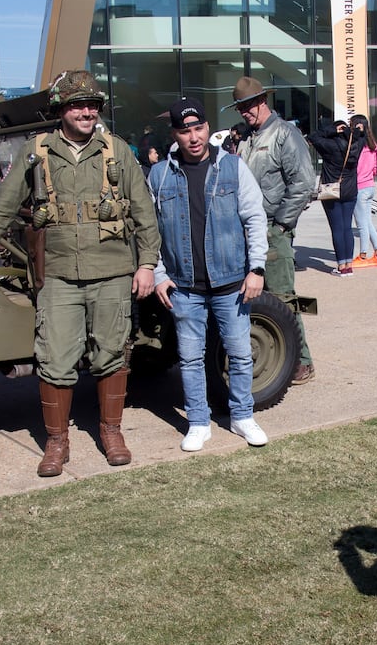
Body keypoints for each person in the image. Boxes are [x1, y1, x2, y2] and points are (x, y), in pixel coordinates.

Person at [0, 70, 159, 475]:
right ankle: (57, 442)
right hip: (59, 275)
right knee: (54, 359)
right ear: (62, 109)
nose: (86, 111)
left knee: (111, 354)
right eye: (78, 104)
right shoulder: (36, 152)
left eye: (92, 105)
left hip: (112, 272)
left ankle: (111, 431)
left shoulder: (116, 150)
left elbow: (144, 211)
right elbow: (4, 205)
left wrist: (147, 263)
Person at [147, 98, 270, 452]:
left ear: (207, 128)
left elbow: (254, 218)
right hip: (184, 286)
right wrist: (158, 273)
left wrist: (256, 268)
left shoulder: (232, 166)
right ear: (175, 134)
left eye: (198, 128)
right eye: (185, 131)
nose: (193, 137)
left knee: (240, 353)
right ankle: (199, 422)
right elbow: (148, 230)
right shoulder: (159, 175)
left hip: (231, 282)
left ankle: (242, 416)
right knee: (190, 358)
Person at [230, 75, 319, 384]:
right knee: (257, 297)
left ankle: (301, 361)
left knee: (282, 297)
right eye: (240, 107)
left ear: (262, 101)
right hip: (247, 228)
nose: (245, 112)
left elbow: (304, 184)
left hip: (273, 229)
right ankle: (272, 356)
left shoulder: (284, 134)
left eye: (249, 105)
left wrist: (281, 224)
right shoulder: (246, 138)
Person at [308, 118, 361, 276]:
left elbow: (313, 137)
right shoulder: (356, 145)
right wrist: (353, 131)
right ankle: (349, 264)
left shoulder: (329, 146)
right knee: (347, 228)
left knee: (337, 228)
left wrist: (331, 130)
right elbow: (363, 136)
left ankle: (341, 266)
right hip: (350, 190)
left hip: (332, 190)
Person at [350, 114, 377, 268]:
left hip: (359, 187)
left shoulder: (357, 145)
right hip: (370, 185)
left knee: (362, 224)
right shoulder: (373, 145)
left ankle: (363, 255)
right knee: (368, 222)